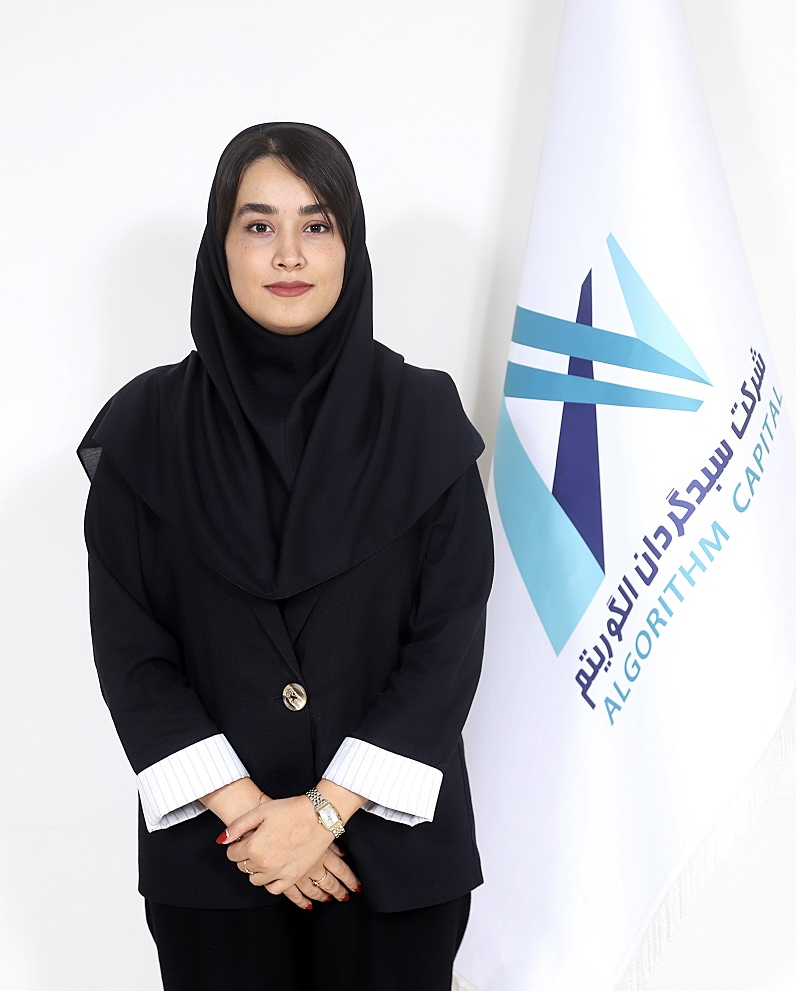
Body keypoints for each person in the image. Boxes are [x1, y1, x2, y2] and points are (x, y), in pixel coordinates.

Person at [78, 122, 493, 991]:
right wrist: (251, 821)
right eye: (259, 225)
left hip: (392, 863)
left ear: (350, 244)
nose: (289, 254)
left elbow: (447, 642)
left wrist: (323, 813)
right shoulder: (146, 430)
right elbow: (133, 655)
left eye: (318, 224)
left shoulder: (423, 418)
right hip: (214, 864)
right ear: (219, 245)